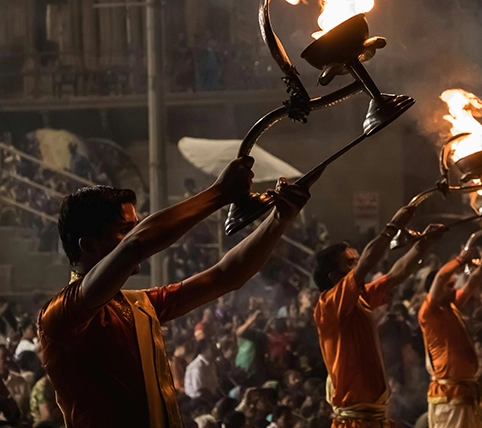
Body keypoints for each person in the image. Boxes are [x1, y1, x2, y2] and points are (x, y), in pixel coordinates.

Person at [39, 158, 310, 427]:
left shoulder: (139, 305)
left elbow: (227, 275)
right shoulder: (61, 315)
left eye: (136, 225)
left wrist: (279, 219)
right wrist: (218, 194)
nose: (136, 233)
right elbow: (137, 244)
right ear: (87, 245)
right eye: (124, 229)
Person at [312, 204, 446, 428]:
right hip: (355, 421)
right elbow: (367, 263)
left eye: (356, 261)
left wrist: (423, 244)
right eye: (350, 263)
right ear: (335, 276)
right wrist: (393, 226)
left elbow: (395, 276)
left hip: (373, 417)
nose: (357, 266)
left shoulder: (359, 297)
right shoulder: (329, 304)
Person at [420, 246, 482, 428]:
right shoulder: (429, 313)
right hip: (449, 393)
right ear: (435, 291)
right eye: (450, 286)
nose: (455, 289)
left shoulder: (451, 306)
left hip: (465, 391)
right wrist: (460, 259)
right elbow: (440, 277)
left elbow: (472, 283)